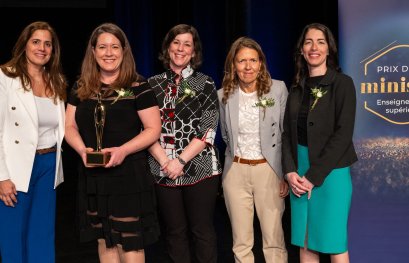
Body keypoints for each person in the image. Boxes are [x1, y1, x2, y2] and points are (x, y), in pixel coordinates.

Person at [64, 23, 161, 263]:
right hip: (94, 176)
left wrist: (123, 150)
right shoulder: (80, 87)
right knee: (104, 238)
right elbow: (69, 127)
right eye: (103, 47)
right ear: (93, 52)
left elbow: (153, 129)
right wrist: (82, 150)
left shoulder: (138, 85)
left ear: (123, 50)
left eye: (115, 47)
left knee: (130, 242)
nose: (109, 53)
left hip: (128, 175)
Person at [282, 23, 357, 263]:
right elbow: (286, 134)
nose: (314, 47)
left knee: (334, 243)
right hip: (298, 174)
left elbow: (343, 134)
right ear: (302, 50)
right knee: (306, 243)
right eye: (308, 42)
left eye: (320, 42)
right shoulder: (295, 88)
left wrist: (313, 177)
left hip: (331, 172)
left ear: (329, 49)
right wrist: (290, 171)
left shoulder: (342, 84)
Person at [147, 24, 221, 263]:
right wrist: (165, 162)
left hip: (200, 168)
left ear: (194, 51)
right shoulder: (151, 84)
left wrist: (180, 161)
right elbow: (145, 129)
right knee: (174, 233)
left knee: (202, 231)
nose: (181, 48)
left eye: (187, 44)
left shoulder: (205, 83)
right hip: (162, 169)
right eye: (176, 42)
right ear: (168, 47)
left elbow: (208, 131)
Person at [0, 21, 67, 263]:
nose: (42, 48)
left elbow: (64, 127)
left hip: (49, 164)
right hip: (16, 167)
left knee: (42, 233)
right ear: (24, 45)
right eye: (36, 42)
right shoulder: (6, 77)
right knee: (13, 234)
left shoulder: (56, 80)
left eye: (47, 43)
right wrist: (2, 176)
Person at [218, 37, 289, 263]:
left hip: (268, 170)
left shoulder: (277, 89)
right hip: (236, 171)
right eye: (241, 61)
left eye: (253, 60)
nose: (248, 67)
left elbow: (285, 135)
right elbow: (225, 135)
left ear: (261, 63)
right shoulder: (223, 95)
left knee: (274, 240)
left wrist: (284, 173)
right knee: (241, 243)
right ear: (233, 65)